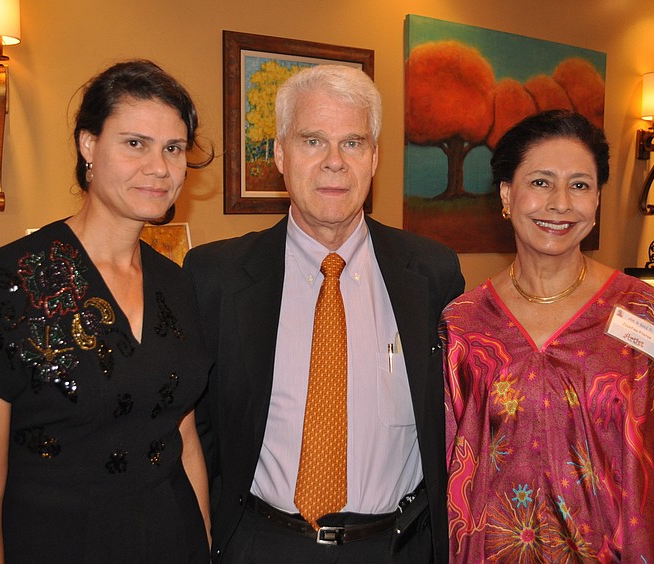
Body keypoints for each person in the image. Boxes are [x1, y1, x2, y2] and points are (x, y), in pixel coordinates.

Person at [0, 60, 213, 563]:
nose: (160, 167)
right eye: (135, 143)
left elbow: (185, 441)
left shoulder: (177, 284)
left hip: (173, 541)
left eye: (173, 148)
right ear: (88, 145)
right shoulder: (5, 286)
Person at [184, 64, 464, 563]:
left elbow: (458, 420)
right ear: (279, 155)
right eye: (313, 140)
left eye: (353, 143)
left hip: (397, 546)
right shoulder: (216, 277)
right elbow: (195, 429)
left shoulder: (433, 274)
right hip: (260, 543)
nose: (335, 162)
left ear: (375, 158)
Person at [442, 110, 654, 561]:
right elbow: (450, 457)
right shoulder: (464, 324)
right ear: (507, 194)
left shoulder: (639, 309)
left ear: (598, 199)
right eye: (541, 182)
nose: (561, 204)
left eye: (580, 185)